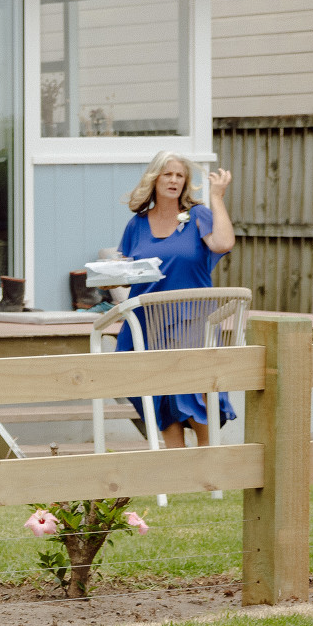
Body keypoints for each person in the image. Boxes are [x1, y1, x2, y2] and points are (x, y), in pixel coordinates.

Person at [113, 151, 237, 448]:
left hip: (191, 317)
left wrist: (217, 197)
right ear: (154, 179)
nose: (173, 180)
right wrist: (110, 276)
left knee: (193, 388)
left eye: (179, 175)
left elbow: (222, 243)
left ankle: (210, 462)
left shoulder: (198, 216)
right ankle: (177, 465)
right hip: (147, 320)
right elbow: (125, 272)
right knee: (158, 392)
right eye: (167, 174)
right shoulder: (137, 224)